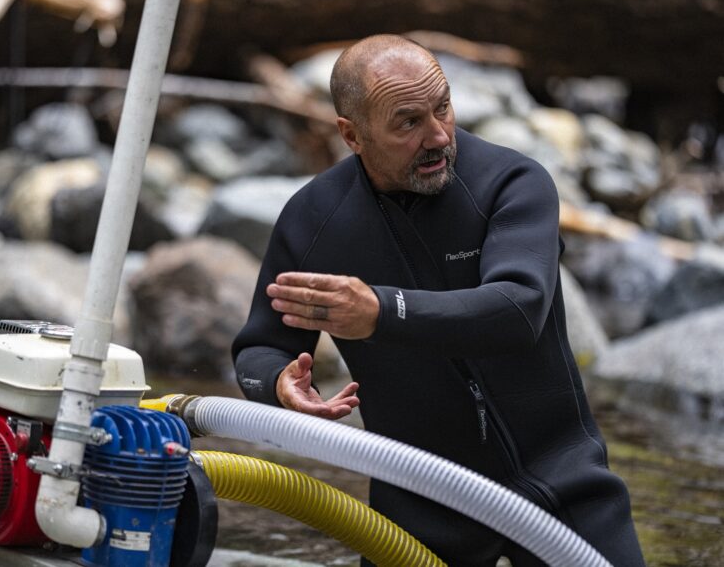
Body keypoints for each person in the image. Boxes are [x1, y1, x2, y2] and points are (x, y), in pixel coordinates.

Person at [231, 34, 645, 566]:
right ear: (352, 135)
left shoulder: (511, 181)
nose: (438, 135)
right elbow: (258, 350)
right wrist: (277, 384)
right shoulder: (313, 223)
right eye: (408, 122)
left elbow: (519, 309)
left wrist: (382, 312)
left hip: (563, 484)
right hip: (420, 500)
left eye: (443, 107)